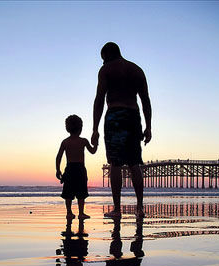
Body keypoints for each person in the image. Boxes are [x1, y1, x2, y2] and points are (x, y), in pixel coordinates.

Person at [91, 42, 152, 218]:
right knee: (134, 163)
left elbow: (99, 99)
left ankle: (117, 209)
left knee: (115, 163)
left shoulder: (106, 70)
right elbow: (145, 101)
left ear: (108, 54)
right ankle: (140, 208)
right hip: (133, 116)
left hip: (115, 116)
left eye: (103, 59)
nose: (103, 63)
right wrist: (148, 126)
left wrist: (95, 129)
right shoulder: (137, 70)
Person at [56, 114, 98, 219]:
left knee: (68, 193)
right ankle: (81, 213)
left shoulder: (65, 142)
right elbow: (93, 151)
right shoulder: (83, 141)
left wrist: (58, 170)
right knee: (81, 192)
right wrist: (96, 143)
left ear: (67, 128)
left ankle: (69, 212)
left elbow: (58, 157)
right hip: (80, 169)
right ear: (80, 128)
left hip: (69, 168)